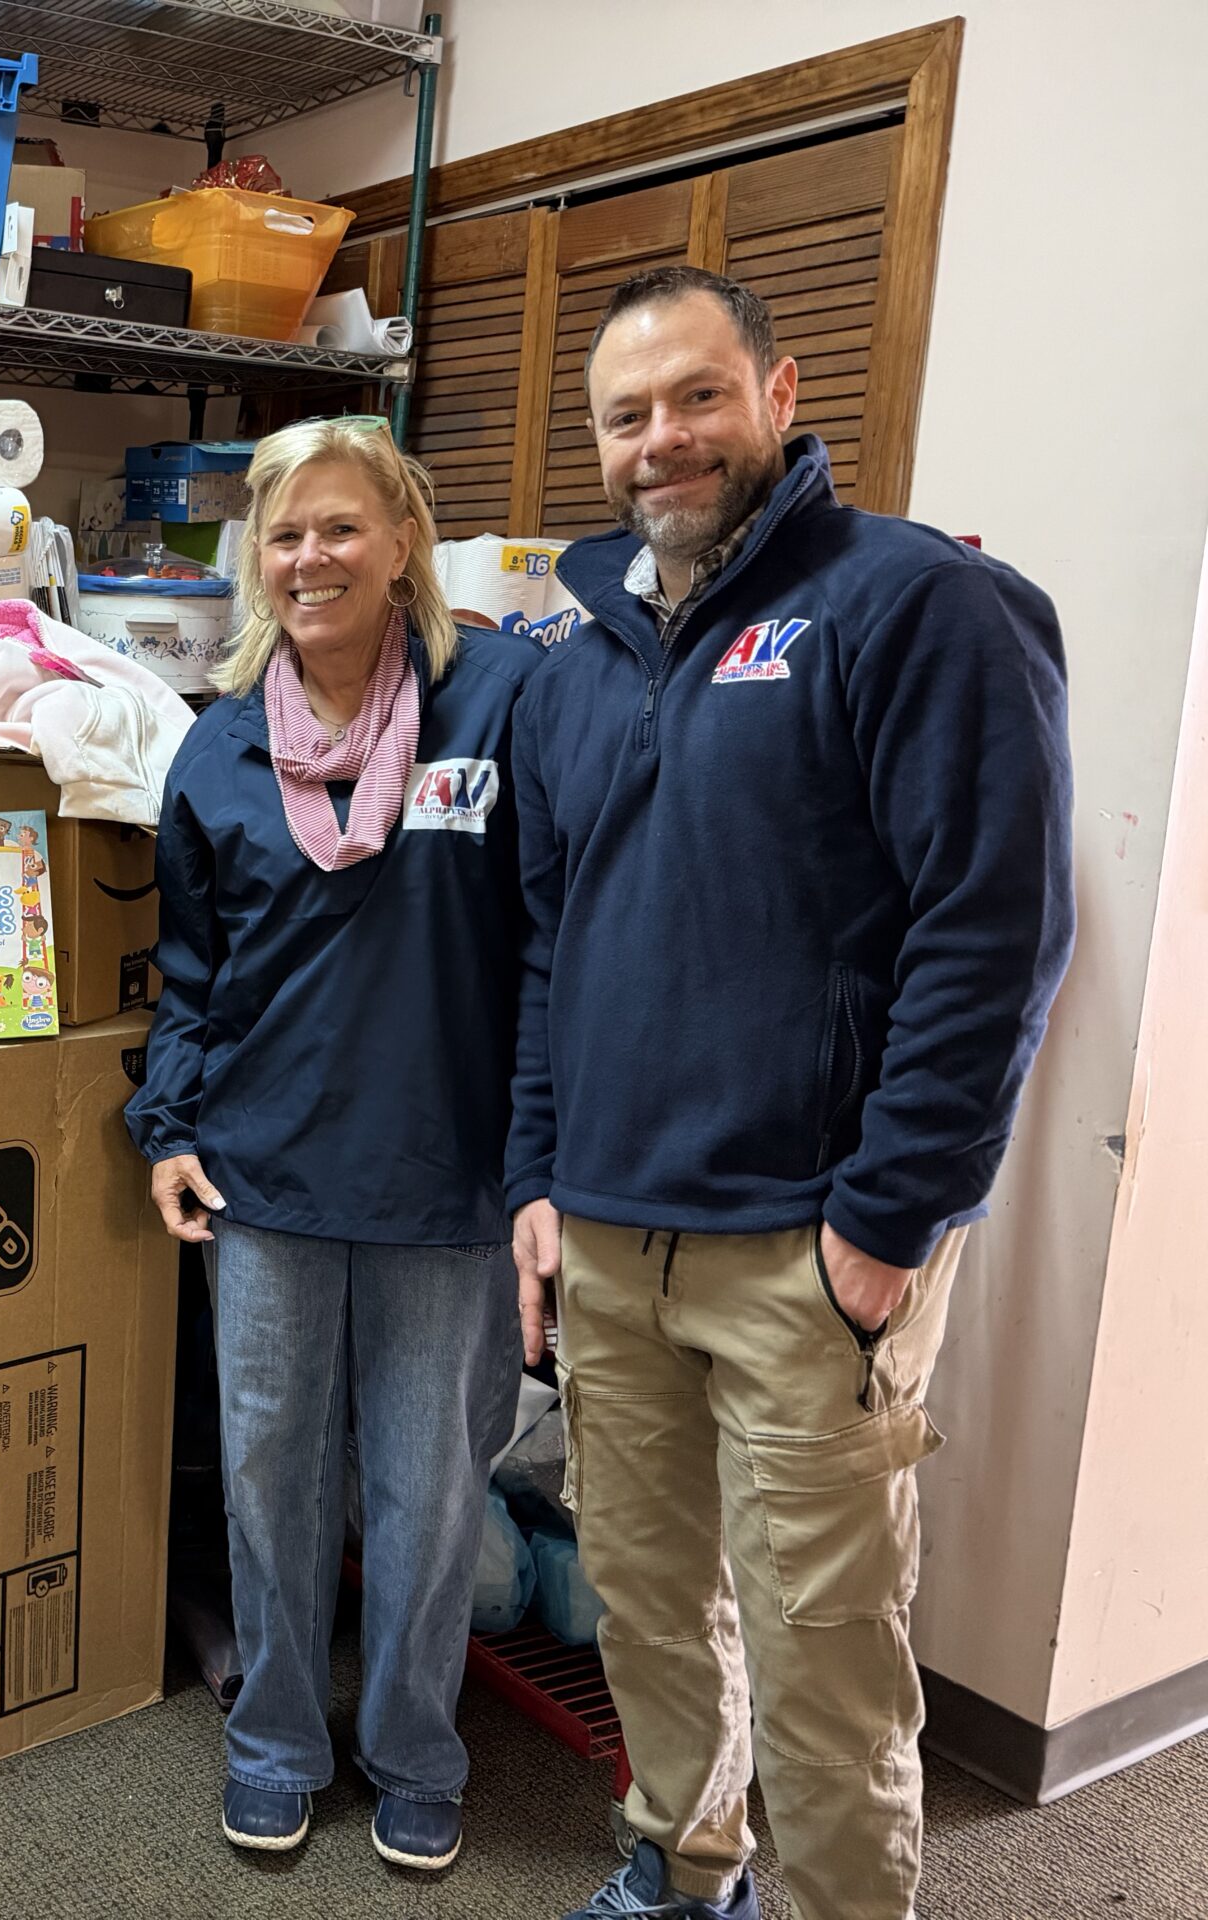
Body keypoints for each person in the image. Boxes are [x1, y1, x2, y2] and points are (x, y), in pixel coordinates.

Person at [509, 267, 1073, 1920]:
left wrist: (888, 1221)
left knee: (826, 1654)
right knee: (647, 1602)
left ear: (779, 393)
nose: (662, 439)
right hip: (611, 1235)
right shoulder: (573, 665)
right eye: (626, 414)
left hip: (811, 1247)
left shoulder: (917, 605)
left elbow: (995, 932)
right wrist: (537, 1177)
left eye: (698, 396)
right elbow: (549, 943)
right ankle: (686, 1867)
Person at [126, 415, 544, 1872]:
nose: (312, 558)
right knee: (271, 1481)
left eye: (342, 526)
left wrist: (543, 1163)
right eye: (286, 533)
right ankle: (277, 1741)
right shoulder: (220, 745)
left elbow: (549, 942)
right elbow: (192, 973)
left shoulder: (498, 702)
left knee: (429, 1493)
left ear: (404, 538)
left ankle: (417, 1748)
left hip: (449, 1179)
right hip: (266, 1177)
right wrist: (169, 1128)